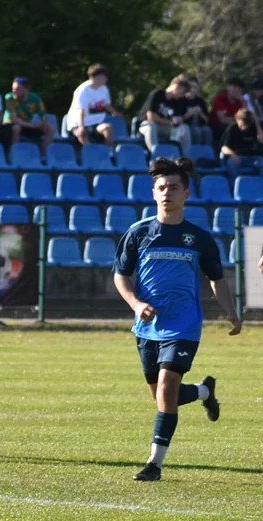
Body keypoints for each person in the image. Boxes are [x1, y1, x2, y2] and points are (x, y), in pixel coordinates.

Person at [113, 158, 240, 483]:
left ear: (186, 193)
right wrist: (136, 303)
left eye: (173, 187)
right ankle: (202, 393)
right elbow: (121, 276)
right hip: (146, 327)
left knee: (167, 389)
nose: (167, 192)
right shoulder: (139, 232)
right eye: (161, 188)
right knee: (161, 397)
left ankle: (154, 464)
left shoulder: (198, 238)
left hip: (183, 325)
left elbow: (216, 278)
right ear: (153, 193)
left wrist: (230, 310)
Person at [67, 64, 121, 147]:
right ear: (98, 77)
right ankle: (90, 155)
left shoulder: (104, 89)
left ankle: (108, 153)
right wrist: (81, 127)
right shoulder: (83, 90)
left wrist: (114, 112)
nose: (106, 78)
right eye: (104, 76)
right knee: (82, 134)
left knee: (107, 128)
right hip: (79, 123)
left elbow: (106, 104)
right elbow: (81, 110)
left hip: (96, 123)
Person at [138, 76, 192, 157]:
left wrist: (179, 120)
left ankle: (183, 158)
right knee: (151, 126)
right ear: (177, 87)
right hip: (145, 126)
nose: (182, 96)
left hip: (163, 128)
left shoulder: (176, 102)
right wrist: (169, 122)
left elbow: (175, 120)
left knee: (184, 128)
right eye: (182, 92)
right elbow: (151, 117)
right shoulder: (157, 94)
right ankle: (156, 156)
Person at [3, 76, 55, 157]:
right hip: (10, 125)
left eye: (17, 89)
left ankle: (43, 155)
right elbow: (14, 119)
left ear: (26, 89)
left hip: (27, 124)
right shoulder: (9, 98)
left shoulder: (35, 99)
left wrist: (42, 123)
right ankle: (13, 155)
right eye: (13, 89)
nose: (14, 91)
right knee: (16, 128)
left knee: (50, 129)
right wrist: (32, 125)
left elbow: (44, 116)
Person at [220, 109, 263, 179]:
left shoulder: (254, 127)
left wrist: (256, 122)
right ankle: (235, 187)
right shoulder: (232, 128)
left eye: (246, 126)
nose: (243, 128)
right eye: (241, 125)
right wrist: (233, 154)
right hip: (238, 156)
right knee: (231, 163)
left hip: (253, 157)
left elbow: (261, 139)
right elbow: (224, 148)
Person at [211, 77, 248, 146]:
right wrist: (238, 122)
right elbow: (222, 119)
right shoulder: (220, 98)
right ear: (228, 87)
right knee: (233, 128)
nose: (236, 90)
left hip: (236, 124)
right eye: (234, 87)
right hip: (217, 126)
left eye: (239, 88)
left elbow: (245, 117)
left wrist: (244, 103)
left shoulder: (241, 101)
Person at [183, 75, 213, 149]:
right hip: (186, 126)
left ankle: (206, 153)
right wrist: (189, 113)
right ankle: (195, 152)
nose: (192, 90)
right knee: (197, 131)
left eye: (195, 87)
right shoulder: (181, 100)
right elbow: (178, 118)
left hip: (199, 125)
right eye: (190, 87)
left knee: (207, 130)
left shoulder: (200, 101)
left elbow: (207, 120)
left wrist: (200, 113)